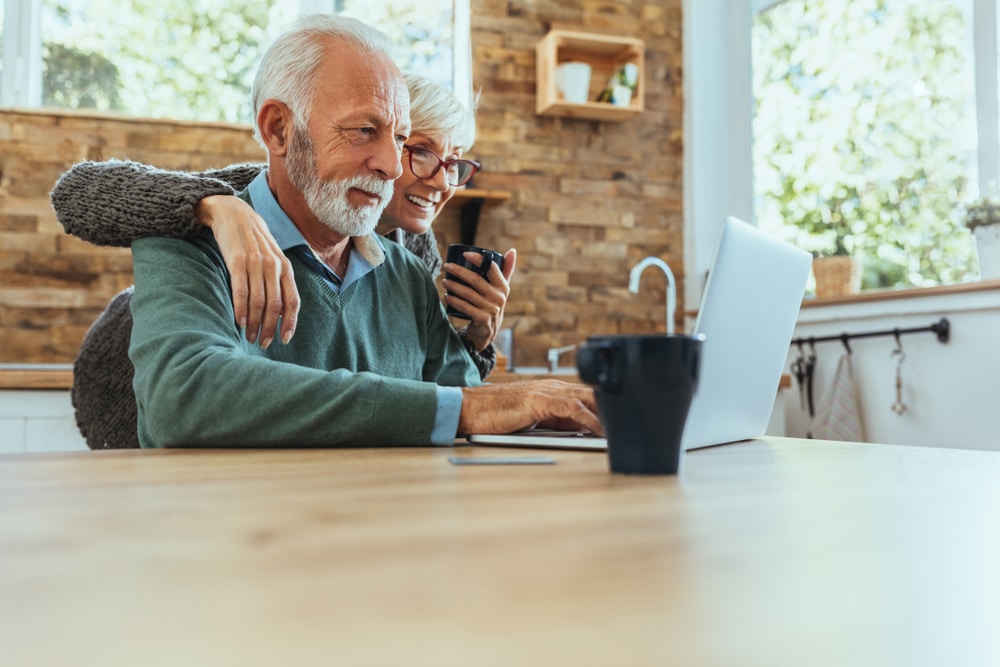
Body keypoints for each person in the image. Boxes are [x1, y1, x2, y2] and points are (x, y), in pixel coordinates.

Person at [53, 13, 600, 449]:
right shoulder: (189, 224)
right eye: (365, 130)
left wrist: (492, 362)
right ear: (278, 129)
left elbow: (461, 397)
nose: (393, 165)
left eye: (402, 138)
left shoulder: (410, 263)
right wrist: (215, 208)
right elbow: (181, 400)